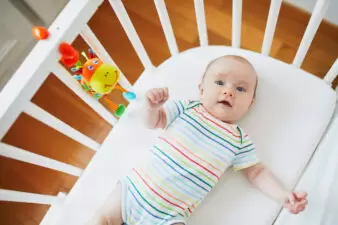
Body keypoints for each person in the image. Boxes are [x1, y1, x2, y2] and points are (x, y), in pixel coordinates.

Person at [88, 55, 308, 225]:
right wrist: (152, 107)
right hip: (134, 191)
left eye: (240, 89)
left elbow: (257, 173)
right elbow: (153, 122)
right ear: (201, 89)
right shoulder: (188, 108)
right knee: (102, 219)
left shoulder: (239, 140)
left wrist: (283, 196)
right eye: (220, 82)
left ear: (250, 104)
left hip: (171, 216)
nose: (229, 91)